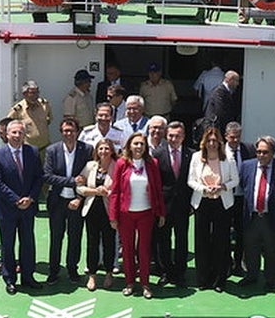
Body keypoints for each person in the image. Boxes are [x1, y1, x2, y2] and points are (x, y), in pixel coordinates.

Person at [0, 119, 44, 294]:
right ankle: (10, 279)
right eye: (14, 132)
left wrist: (30, 198)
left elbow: (38, 178)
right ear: (6, 134)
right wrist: (16, 200)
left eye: (20, 132)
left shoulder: (33, 152)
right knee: (8, 245)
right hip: (7, 209)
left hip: (28, 207)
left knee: (27, 243)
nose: (17, 135)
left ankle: (28, 277)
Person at [109, 132, 165, 297]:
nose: (139, 147)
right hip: (126, 213)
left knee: (144, 249)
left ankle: (145, 283)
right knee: (127, 250)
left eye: (141, 144)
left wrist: (161, 213)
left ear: (145, 147)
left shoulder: (152, 163)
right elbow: (115, 191)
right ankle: (130, 282)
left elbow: (158, 190)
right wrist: (113, 216)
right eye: (135, 144)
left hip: (146, 212)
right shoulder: (121, 164)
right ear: (129, 146)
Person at [187, 125, 239, 292]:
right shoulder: (196, 157)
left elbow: (235, 180)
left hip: (222, 203)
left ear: (219, 142)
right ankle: (203, 279)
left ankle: (219, 280)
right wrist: (203, 189)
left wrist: (222, 187)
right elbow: (191, 180)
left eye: (214, 141)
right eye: (209, 140)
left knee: (221, 241)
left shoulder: (228, 157)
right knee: (201, 241)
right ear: (204, 142)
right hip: (202, 202)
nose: (211, 144)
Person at [44, 117, 92, 283]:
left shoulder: (87, 149)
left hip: (76, 201)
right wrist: (71, 181)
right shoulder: (52, 150)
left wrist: (79, 197)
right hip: (57, 201)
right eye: (65, 131)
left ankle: (72, 269)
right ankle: (54, 270)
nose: (68, 134)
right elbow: (48, 176)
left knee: (75, 236)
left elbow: (88, 176)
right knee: (56, 237)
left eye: (71, 131)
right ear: (61, 132)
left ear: (78, 132)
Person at [238, 136, 275, 290]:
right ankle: (251, 275)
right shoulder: (247, 166)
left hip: (270, 215)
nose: (261, 155)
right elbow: (242, 185)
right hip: (251, 215)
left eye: (265, 152)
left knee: (272, 249)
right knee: (251, 247)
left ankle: (271, 279)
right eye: (258, 152)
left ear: (273, 153)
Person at [153, 120, 193, 286]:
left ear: (183, 137)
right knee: (163, 239)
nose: (173, 139)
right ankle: (165, 271)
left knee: (182, 239)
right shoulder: (157, 154)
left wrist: (192, 203)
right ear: (166, 136)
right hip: (164, 204)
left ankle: (180, 272)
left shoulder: (192, 155)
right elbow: (155, 183)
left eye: (177, 136)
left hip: (184, 205)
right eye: (170, 135)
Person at [76, 138, 118, 291]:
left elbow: (121, 188)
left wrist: (108, 192)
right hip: (92, 209)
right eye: (101, 149)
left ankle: (108, 273)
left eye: (107, 148)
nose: (103, 152)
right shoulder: (90, 166)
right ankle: (92, 275)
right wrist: (95, 191)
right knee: (92, 242)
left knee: (109, 242)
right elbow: (80, 186)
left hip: (109, 210)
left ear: (111, 150)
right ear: (97, 151)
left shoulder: (117, 166)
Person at [223, 121, 255, 276]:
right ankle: (226, 263)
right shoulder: (220, 151)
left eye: (238, 137)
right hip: (226, 197)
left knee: (241, 232)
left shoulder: (249, 149)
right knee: (224, 231)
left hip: (243, 198)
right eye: (232, 137)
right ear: (226, 136)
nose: (235, 140)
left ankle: (238, 263)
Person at [7, 80, 53, 152]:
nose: (35, 96)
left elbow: (49, 120)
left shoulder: (45, 105)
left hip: (44, 148)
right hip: (28, 150)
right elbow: (8, 127)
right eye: (32, 93)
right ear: (24, 94)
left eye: (37, 92)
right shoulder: (18, 110)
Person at [203, 69, 241, 134]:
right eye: (236, 81)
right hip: (216, 128)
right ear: (229, 80)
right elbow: (220, 112)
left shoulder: (226, 92)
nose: (237, 84)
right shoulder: (219, 92)